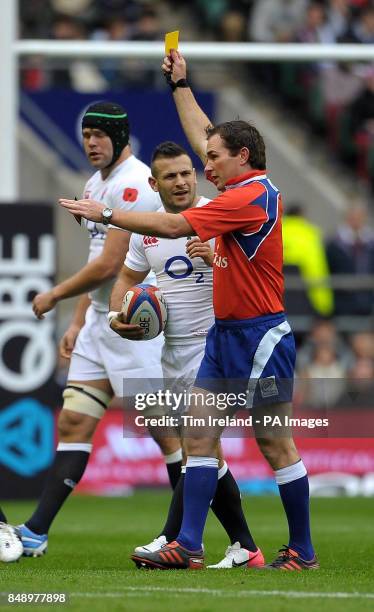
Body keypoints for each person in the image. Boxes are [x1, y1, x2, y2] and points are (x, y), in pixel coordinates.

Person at [59, 51, 319, 571]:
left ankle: (302, 551)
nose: (206, 164)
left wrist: (107, 213)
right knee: (198, 434)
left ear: (242, 156)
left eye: (215, 157)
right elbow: (207, 132)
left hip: (262, 335)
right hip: (226, 335)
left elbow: (176, 226)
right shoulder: (238, 186)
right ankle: (189, 544)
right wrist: (180, 85)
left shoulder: (251, 196)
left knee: (275, 443)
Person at [19, 101, 179, 557]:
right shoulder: (96, 182)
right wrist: (77, 320)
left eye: (100, 135)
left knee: (163, 429)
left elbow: (113, 263)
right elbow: (97, 259)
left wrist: (55, 296)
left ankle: (182, 536)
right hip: (97, 321)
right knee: (73, 420)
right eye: (86, 134)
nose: (91, 142)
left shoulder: (133, 183)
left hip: (131, 322)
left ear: (120, 137)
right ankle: (35, 532)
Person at [109, 141, 264, 569]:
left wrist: (217, 258)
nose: (180, 182)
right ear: (153, 182)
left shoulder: (220, 214)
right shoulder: (148, 231)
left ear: (195, 175)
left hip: (217, 347)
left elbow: (262, 275)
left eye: (185, 173)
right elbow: (126, 277)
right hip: (173, 354)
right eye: (170, 176)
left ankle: (174, 539)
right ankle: (244, 547)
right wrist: (113, 316)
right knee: (207, 455)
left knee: (199, 446)